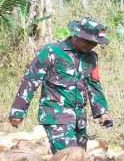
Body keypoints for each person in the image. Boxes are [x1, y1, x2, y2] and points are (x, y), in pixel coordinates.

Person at [9, 18, 112, 153]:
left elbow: (94, 85)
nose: (93, 46)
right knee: (69, 158)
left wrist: (102, 112)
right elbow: (30, 80)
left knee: (79, 159)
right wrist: (18, 111)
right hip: (56, 117)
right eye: (90, 42)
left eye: (95, 43)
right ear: (78, 35)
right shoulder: (52, 51)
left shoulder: (91, 58)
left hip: (79, 120)